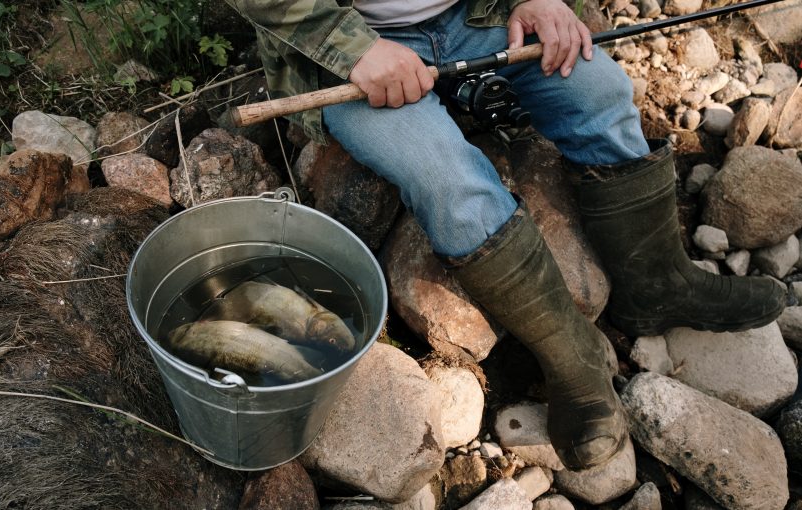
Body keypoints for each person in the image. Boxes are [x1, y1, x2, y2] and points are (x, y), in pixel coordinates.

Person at [225, 0, 787, 470]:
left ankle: (658, 285)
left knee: (599, 93)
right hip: (353, 52)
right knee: (447, 181)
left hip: (483, 15)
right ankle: (573, 360)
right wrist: (352, 49)